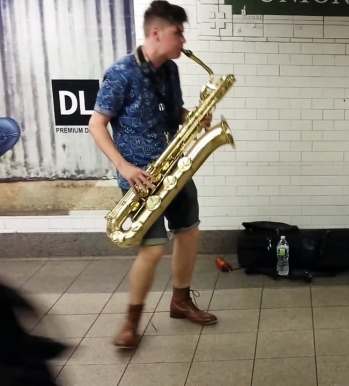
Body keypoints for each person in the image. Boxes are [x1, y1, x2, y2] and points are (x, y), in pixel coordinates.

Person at [88, 0, 216, 349]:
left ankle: (180, 301)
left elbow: (173, 113)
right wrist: (124, 166)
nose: (183, 40)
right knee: (153, 250)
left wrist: (193, 116)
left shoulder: (170, 71)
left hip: (173, 167)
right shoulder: (121, 72)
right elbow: (96, 124)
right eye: (178, 32)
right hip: (140, 178)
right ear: (156, 32)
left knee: (189, 233)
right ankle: (131, 323)